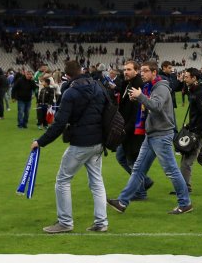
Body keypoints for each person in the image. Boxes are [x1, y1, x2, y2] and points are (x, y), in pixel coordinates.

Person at [31, 60, 109, 234]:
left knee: (62, 181)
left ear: (66, 75)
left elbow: (59, 123)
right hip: (98, 141)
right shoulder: (98, 87)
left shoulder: (71, 93)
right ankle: (101, 222)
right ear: (81, 70)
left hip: (81, 142)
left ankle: (65, 222)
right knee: (97, 182)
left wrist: (40, 141)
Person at [107, 60, 193, 215]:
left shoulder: (161, 87)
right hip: (152, 134)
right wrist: (139, 99)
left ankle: (185, 203)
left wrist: (140, 97)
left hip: (161, 135)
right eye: (142, 71)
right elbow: (150, 107)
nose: (142, 73)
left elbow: (157, 106)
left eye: (145, 70)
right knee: (138, 169)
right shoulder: (151, 87)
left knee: (171, 170)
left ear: (154, 72)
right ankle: (122, 201)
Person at [115, 60, 153, 201]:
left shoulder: (138, 86)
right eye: (125, 69)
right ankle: (145, 181)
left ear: (136, 71)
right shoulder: (128, 84)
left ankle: (140, 192)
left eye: (129, 69)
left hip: (134, 131)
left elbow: (137, 113)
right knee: (123, 157)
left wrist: (125, 130)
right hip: (128, 129)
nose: (126, 72)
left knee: (131, 161)